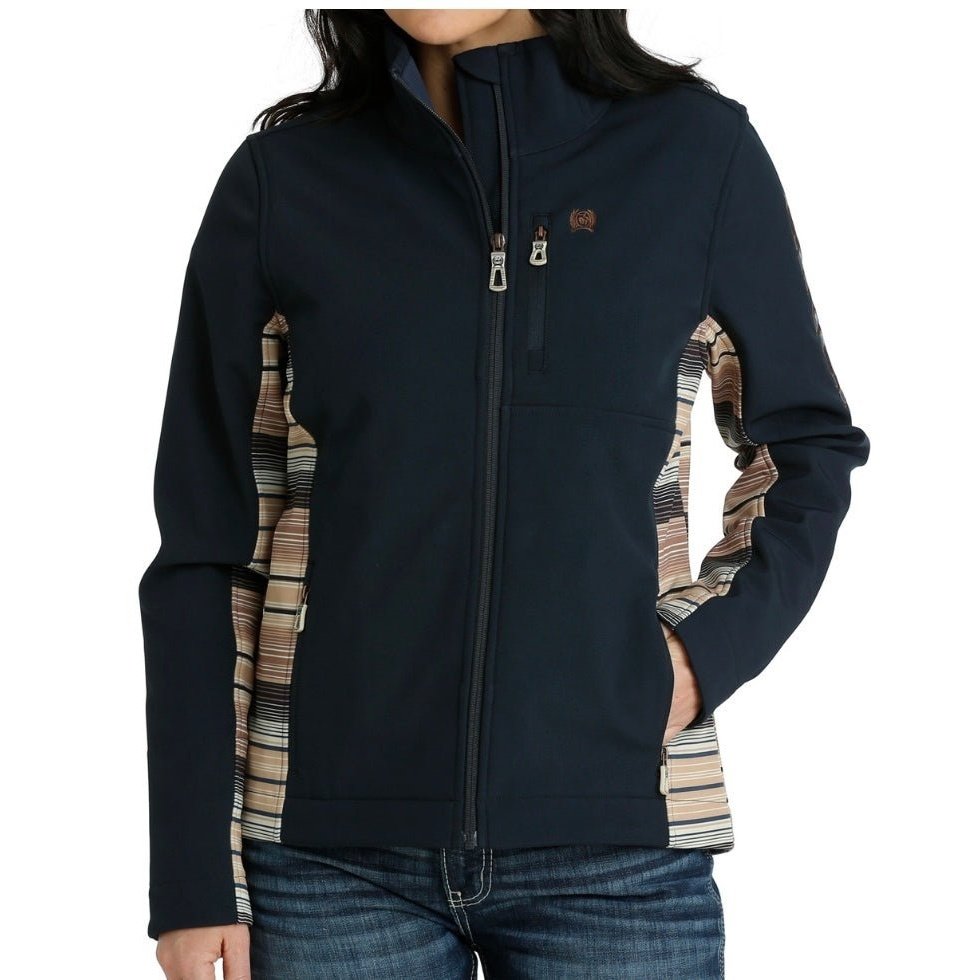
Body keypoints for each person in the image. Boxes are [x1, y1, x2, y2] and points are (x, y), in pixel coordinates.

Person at [138, 9, 871, 978]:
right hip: (326, 861)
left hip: (619, 845)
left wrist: (701, 655)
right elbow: (208, 541)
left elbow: (803, 450)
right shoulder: (285, 181)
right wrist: (192, 871)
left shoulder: (696, 156)